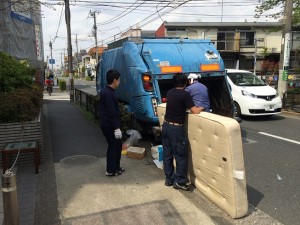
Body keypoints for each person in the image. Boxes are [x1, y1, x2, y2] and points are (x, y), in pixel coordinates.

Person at [162, 73, 205, 191]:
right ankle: (180, 181)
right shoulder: (185, 95)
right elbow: (194, 111)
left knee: (167, 154)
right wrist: (201, 107)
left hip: (166, 126)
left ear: (174, 83)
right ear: (186, 83)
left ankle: (169, 179)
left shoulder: (170, 93)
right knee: (181, 155)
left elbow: (177, 105)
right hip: (176, 129)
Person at [98, 69, 125, 176]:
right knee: (113, 146)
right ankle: (110, 170)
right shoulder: (108, 93)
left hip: (110, 125)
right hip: (110, 126)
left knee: (117, 146)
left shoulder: (108, 92)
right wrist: (116, 128)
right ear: (114, 80)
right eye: (119, 80)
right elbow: (111, 112)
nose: (119, 82)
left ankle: (116, 167)